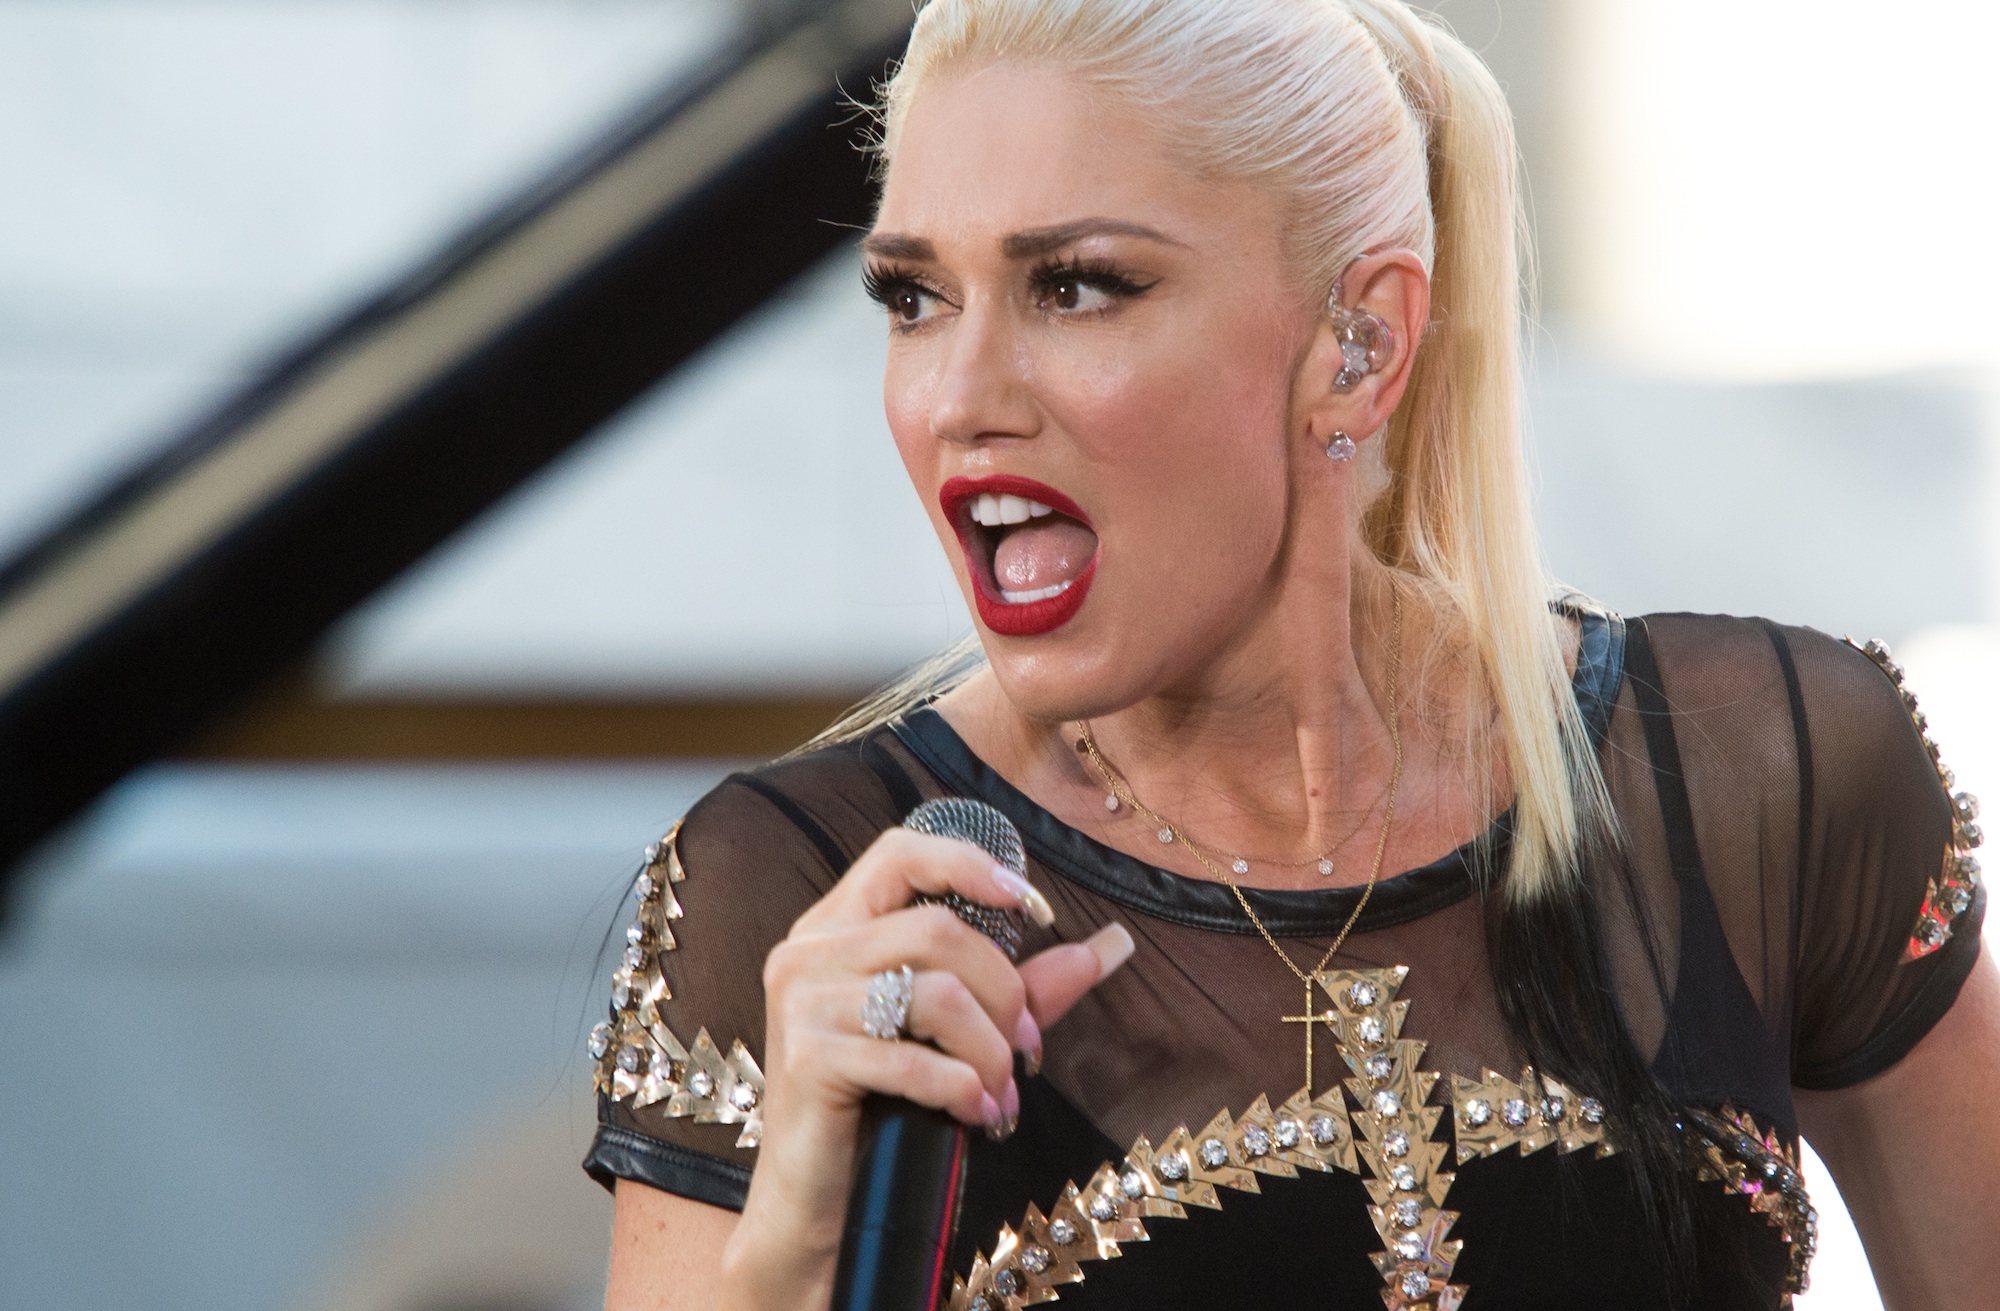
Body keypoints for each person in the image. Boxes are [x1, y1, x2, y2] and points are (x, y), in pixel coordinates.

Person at [581, 0, 1999, 1306]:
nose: (958, 396)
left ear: (1358, 344)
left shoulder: (1768, 778)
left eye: (1077, 287)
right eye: (914, 298)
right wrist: (788, 1259)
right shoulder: (804, 895)